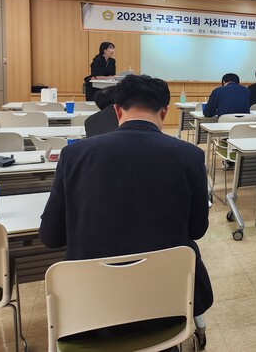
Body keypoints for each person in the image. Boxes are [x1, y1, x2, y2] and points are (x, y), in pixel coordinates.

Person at [39, 75, 212, 342]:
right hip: (168, 306)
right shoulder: (190, 156)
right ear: (164, 112)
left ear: (117, 110)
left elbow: (50, 237)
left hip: (89, 314)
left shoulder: (74, 156)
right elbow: (197, 229)